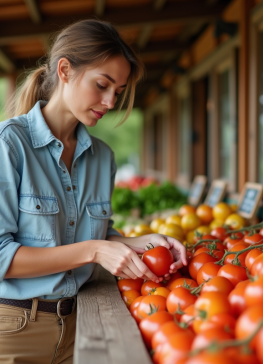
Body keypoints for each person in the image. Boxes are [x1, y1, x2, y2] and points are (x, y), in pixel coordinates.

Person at [0, 19, 187, 364]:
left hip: (83, 328)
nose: (110, 101)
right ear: (66, 70)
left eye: (117, 91)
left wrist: (145, 241)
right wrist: (95, 250)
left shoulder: (103, 157)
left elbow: (92, 233)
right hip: (14, 330)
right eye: (102, 85)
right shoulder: (10, 144)